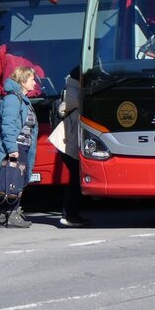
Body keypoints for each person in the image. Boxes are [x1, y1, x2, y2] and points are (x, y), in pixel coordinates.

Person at [0, 66, 39, 227]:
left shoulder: (22, 99)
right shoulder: (13, 99)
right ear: (23, 81)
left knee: (16, 180)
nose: (35, 83)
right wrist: (12, 149)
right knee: (12, 180)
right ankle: (9, 215)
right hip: (16, 147)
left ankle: (8, 215)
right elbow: (8, 125)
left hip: (22, 146)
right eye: (32, 79)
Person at [57, 66, 89, 228]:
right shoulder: (75, 92)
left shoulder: (73, 90)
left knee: (76, 178)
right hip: (67, 142)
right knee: (76, 178)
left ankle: (71, 214)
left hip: (69, 142)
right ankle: (70, 215)